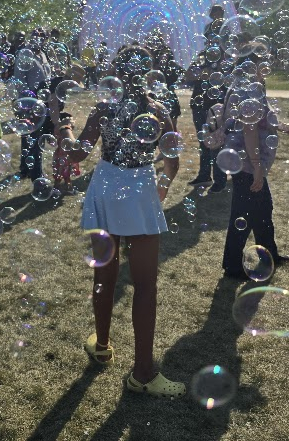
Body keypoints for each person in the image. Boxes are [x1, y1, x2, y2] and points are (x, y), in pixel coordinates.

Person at [47, 44, 184, 399]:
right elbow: (172, 163)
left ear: (117, 73)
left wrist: (63, 128)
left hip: (106, 186)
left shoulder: (104, 109)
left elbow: (77, 152)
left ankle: (103, 344)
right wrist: (161, 192)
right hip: (139, 188)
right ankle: (142, 373)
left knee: (104, 277)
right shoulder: (158, 111)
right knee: (145, 286)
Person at [216, 59, 289, 277]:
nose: (268, 66)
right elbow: (249, 129)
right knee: (243, 214)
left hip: (249, 162)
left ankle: (270, 254)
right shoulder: (249, 93)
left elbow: (257, 121)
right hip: (249, 164)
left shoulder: (248, 89)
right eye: (263, 63)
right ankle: (232, 265)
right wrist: (258, 166)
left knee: (263, 210)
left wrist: (281, 127)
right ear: (251, 67)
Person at [12, 32, 52, 179]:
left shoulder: (43, 54)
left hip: (42, 101)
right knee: (33, 137)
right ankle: (36, 173)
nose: (40, 39)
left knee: (32, 136)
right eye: (37, 36)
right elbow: (19, 80)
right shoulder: (25, 54)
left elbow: (46, 76)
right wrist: (27, 102)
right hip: (29, 102)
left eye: (43, 37)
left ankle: (25, 167)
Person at [185, 48, 225, 191]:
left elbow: (220, 78)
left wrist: (206, 73)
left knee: (217, 143)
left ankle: (220, 180)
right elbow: (188, 76)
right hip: (199, 106)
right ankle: (204, 175)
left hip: (216, 107)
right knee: (203, 143)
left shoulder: (225, 59)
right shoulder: (200, 59)